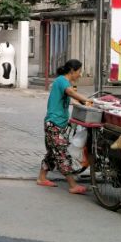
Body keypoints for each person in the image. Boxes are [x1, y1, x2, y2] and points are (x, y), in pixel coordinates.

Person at [37, 58, 92, 194]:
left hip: (55, 124)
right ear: (72, 71)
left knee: (52, 153)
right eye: (79, 71)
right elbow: (71, 93)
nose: (80, 74)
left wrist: (82, 103)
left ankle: (42, 178)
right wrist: (87, 99)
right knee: (62, 154)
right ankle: (73, 185)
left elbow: (69, 99)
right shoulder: (62, 81)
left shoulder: (62, 82)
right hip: (54, 124)